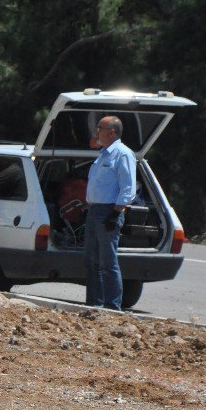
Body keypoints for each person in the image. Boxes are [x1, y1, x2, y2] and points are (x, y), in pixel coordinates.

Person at [84, 115, 136, 311]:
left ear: (112, 132)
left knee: (107, 262)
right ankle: (94, 304)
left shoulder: (122, 153)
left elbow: (128, 187)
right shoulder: (104, 154)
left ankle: (113, 307)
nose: (97, 132)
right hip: (94, 210)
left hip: (109, 211)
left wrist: (115, 213)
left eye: (100, 128)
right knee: (91, 261)